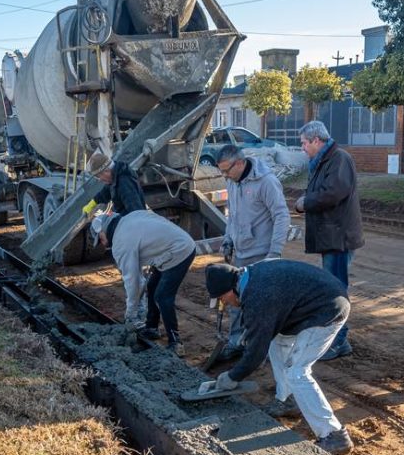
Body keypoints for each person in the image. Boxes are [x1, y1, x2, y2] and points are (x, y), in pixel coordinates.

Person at [196, 260, 355, 455]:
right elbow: (264, 325)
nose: (224, 303)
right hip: (306, 306)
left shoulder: (259, 295)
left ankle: (334, 435)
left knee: (297, 372)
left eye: (222, 298)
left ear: (231, 289)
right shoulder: (249, 277)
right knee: (276, 343)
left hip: (327, 311)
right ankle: (287, 400)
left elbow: (256, 353)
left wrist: (232, 377)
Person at [293, 120, 364, 361]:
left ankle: (339, 341)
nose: (303, 147)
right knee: (333, 287)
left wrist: (306, 202)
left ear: (316, 140)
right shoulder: (326, 159)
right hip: (332, 236)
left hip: (338, 237)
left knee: (336, 291)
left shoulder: (339, 158)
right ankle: (335, 339)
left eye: (304, 143)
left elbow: (332, 193)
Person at [215, 143, 290, 363]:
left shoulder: (265, 182)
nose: (225, 176)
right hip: (240, 252)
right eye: (222, 172)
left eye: (227, 170)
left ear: (240, 163)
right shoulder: (233, 181)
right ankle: (235, 342)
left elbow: (282, 216)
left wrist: (274, 253)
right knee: (235, 301)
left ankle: (261, 348)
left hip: (262, 256)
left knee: (260, 306)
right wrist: (228, 239)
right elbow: (232, 215)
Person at [91, 210, 196, 355]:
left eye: (100, 239)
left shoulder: (121, 243)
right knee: (152, 286)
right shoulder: (129, 218)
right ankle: (152, 327)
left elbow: (132, 281)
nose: (103, 244)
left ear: (103, 229)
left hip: (179, 251)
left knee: (162, 296)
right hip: (176, 244)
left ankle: (176, 343)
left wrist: (130, 313)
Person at [82, 151, 146, 216]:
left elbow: (136, 211)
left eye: (99, 176)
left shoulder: (124, 184)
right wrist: (92, 204)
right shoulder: (115, 178)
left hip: (133, 221)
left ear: (106, 171)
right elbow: (104, 193)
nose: (100, 180)